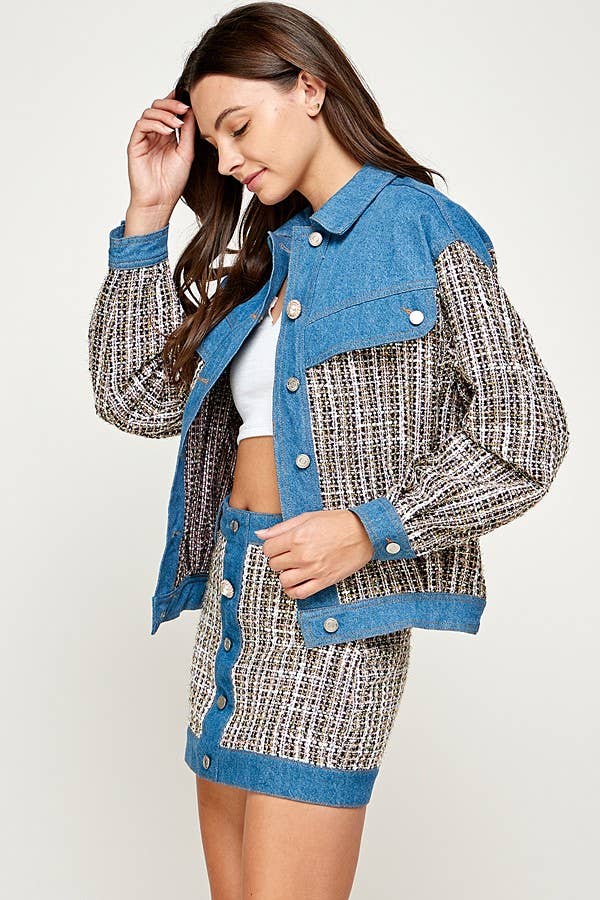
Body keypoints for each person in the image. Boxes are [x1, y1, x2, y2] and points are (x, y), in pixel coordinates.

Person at [88, 3, 570, 897]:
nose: (228, 160)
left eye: (239, 127)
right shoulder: (266, 261)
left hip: (335, 619)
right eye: (215, 143)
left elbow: (527, 433)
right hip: (237, 599)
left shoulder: (425, 228)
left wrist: (370, 529)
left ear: (309, 87)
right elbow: (131, 397)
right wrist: (147, 216)